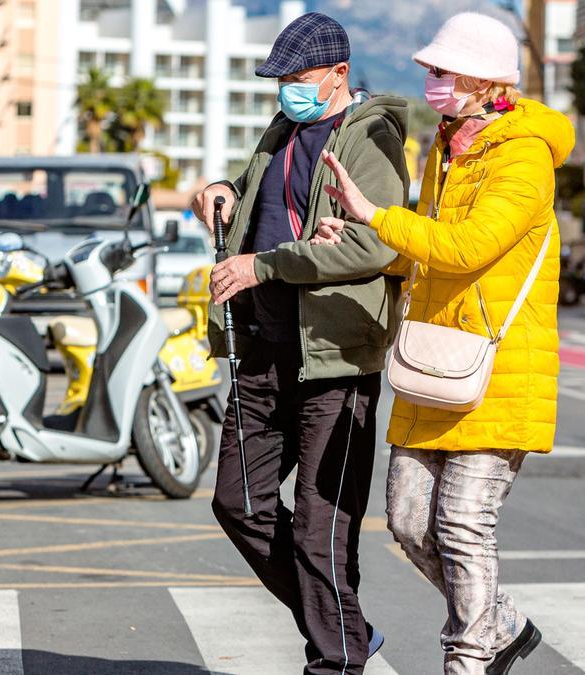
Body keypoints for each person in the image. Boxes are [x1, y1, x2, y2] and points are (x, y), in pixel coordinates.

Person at [313, 12, 574, 674]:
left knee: (461, 523)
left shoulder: (525, 156)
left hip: (496, 367)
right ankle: (501, 621)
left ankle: (469, 658)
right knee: (405, 520)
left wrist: (377, 214)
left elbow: (468, 248)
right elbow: (424, 256)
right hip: (431, 358)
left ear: (488, 81)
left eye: (443, 70)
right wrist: (356, 239)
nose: (430, 80)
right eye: (430, 69)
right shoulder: (445, 146)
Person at [189, 12, 409, 674]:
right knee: (240, 502)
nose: (287, 88)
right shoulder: (284, 129)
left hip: (334, 360)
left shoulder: (370, 139)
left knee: (321, 529)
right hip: (263, 349)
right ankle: (345, 626)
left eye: (299, 77)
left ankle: (335, 658)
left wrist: (265, 264)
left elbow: (374, 243)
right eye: (280, 78)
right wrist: (222, 190)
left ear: (339, 75)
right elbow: (267, 203)